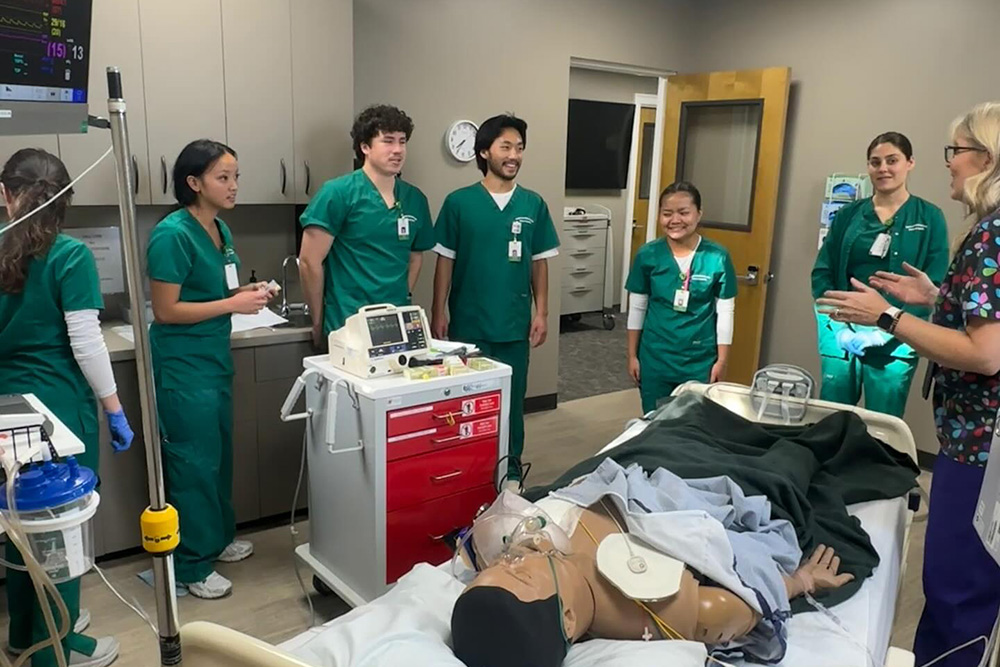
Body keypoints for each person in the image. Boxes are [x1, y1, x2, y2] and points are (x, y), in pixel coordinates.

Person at [818, 102, 1000, 667]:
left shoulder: (988, 234)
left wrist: (889, 319)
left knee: (954, 582)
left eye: (957, 151)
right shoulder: (983, 231)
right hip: (972, 438)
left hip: (979, 445)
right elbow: (979, 312)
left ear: (987, 159)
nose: (952, 163)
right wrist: (936, 296)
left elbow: (986, 353)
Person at [451, 492, 852, 667]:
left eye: (494, 569)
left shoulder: (525, 544)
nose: (511, 558)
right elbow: (744, 606)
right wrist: (800, 582)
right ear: (568, 619)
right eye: (519, 577)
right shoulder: (653, 607)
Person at [0, 148, 133, 666]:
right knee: (58, 531)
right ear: (64, 201)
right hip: (56, 412)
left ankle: (23, 637)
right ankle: (57, 649)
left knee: (18, 524)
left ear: (6, 194)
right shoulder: (70, 257)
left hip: (6, 411)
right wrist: (115, 408)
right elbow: (86, 342)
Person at [146, 139, 275, 600]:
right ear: (193, 183)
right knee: (193, 466)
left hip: (214, 363)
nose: (234, 185)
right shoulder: (172, 235)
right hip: (183, 369)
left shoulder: (220, 230)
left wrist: (250, 292)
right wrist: (233, 302)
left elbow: (221, 290)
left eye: (236, 176)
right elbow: (166, 310)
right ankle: (190, 565)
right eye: (224, 177)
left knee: (217, 459)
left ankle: (216, 540)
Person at [431, 114, 560, 489]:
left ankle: (511, 472)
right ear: (484, 151)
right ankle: (466, 470)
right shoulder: (459, 203)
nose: (514, 155)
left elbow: (539, 263)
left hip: (513, 323)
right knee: (466, 403)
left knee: (511, 404)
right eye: (506, 146)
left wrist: (543, 312)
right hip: (468, 324)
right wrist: (439, 311)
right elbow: (445, 261)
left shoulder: (532, 204)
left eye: (519, 148)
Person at [811, 132, 950, 417]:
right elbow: (822, 273)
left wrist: (886, 328)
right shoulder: (849, 215)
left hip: (897, 338)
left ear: (910, 163)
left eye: (892, 160)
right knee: (830, 418)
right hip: (842, 331)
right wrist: (836, 326)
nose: (883, 168)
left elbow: (932, 286)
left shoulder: (929, 217)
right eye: (875, 162)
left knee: (882, 425)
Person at [298, 104, 434, 347]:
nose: (398, 150)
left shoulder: (415, 199)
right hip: (348, 322)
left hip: (395, 323)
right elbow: (309, 262)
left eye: (402, 142)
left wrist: (401, 297)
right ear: (365, 147)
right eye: (388, 141)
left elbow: (415, 256)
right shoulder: (338, 193)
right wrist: (318, 320)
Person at [625, 181, 737, 414]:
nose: (675, 220)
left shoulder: (717, 256)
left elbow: (725, 312)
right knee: (654, 421)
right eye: (667, 213)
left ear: (699, 214)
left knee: (694, 424)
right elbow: (637, 308)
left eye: (684, 212)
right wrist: (632, 355)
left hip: (699, 359)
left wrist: (722, 361)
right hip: (655, 356)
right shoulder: (648, 255)